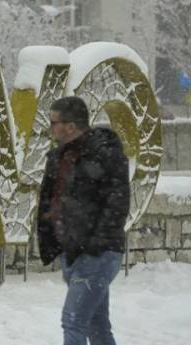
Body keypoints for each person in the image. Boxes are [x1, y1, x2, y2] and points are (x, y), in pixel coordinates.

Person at [38, 96, 129, 345]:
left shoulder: (104, 154)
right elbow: (53, 199)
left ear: (71, 126)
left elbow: (117, 204)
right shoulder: (59, 156)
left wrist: (94, 243)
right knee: (96, 326)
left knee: (73, 320)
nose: (50, 127)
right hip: (73, 252)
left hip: (97, 253)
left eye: (53, 122)